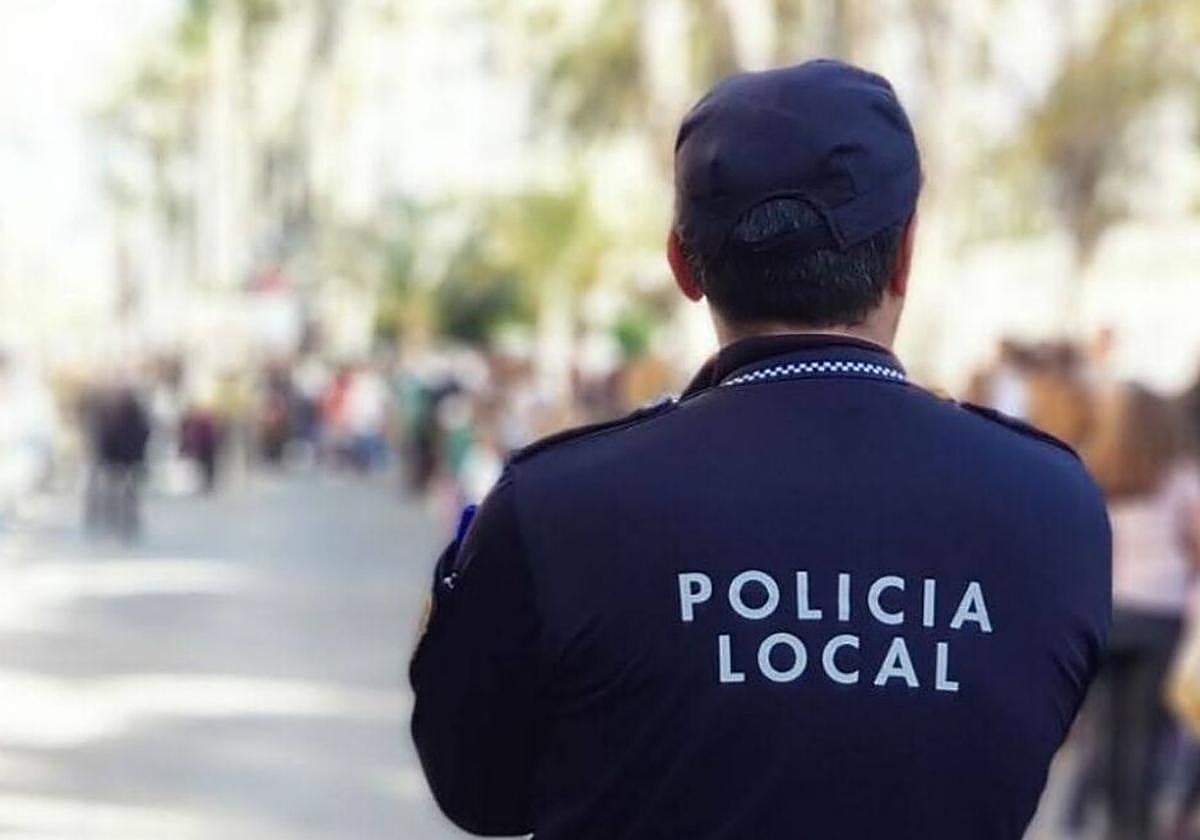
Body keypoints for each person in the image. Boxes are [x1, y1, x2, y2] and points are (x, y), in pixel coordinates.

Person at [409, 60, 1111, 839]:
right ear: (906, 253)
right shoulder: (1053, 505)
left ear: (681, 263)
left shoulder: (558, 505)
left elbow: (477, 792)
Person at [1073, 384, 1200, 840]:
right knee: (1143, 733)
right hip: (1161, 617)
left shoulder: (1098, 475)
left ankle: (1094, 816)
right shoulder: (1181, 480)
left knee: (1106, 727)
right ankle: (1131, 828)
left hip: (1111, 613)